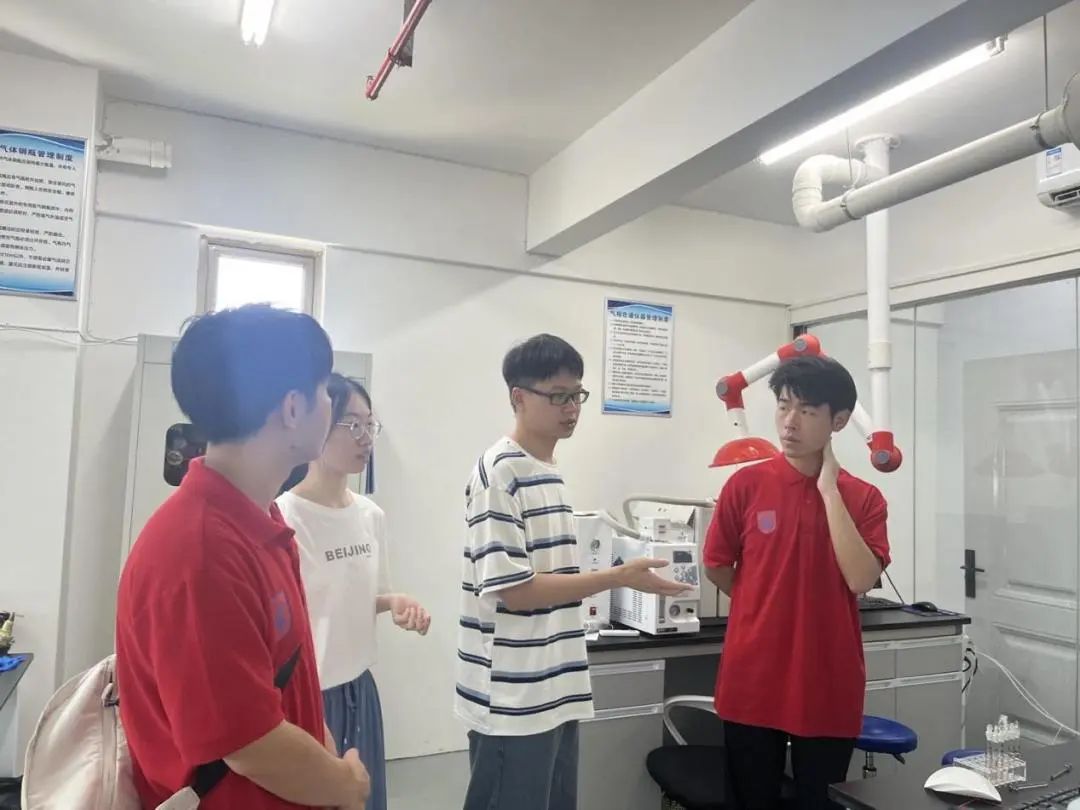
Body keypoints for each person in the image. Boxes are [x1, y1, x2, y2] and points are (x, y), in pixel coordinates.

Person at [115, 305, 370, 810]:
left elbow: (287, 677)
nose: (330, 405)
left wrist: (327, 769)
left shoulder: (262, 519)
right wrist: (346, 784)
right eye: (324, 391)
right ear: (292, 408)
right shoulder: (201, 551)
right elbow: (251, 745)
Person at [456, 333, 689, 810]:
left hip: (556, 684)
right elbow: (515, 591)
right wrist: (618, 577)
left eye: (577, 395)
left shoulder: (547, 468)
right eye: (558, 396)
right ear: (519, 397)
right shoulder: (498, 474)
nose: (571, 408)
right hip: (513, 697)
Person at [703, 356, 891, 810]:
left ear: (838, 421)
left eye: (806, 411)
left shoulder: (864, 499)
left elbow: (861, 578)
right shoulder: (745, 486)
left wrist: (829, 491)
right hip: (753, 677)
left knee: (821, 801)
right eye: (783, 406)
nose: (789, 422)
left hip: (828, 681)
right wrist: (762, 602)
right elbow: (716, 565)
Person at [277, 373, 431, 810]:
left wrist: (394, 602)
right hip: (308, 692)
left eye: (370, 425)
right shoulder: (285, 517)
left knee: (367, 800)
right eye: (352, 424)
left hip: (360, 689)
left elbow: (359, 598)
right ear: (318, 423)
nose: (365, 437)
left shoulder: (370, 516)